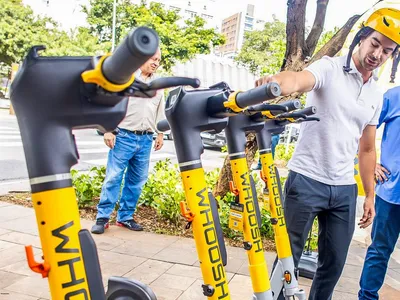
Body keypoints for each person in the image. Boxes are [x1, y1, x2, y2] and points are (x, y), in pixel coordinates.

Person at [255, 8, 400, 300]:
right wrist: (274, 84)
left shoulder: (375, 92)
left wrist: (369, 195)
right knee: (287, 262)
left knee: (332, 267)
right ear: (361, 37)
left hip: (344, 189)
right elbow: (297, 80)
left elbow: (368, 147)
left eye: (387, 51)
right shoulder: (329, 67)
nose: (377, 54)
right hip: (307, 179)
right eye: (375, 43)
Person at [91, 48, 165, 234]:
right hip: (123, 136)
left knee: (136, 181)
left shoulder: (158, 85)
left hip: (146, 139)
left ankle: (125, 217)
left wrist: (160, 134)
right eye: (152, 58)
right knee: (113, 177)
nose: (156, 62)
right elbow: (110, 104)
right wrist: (108, 130)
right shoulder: (126, 79)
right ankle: (103, 217)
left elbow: (159, 112)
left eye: (158, 60)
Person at [358, 84, 400, 300]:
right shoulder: (394, 97)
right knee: (380, 251)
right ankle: (366, 297)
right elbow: (363, 127)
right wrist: (372, 164)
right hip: (392, 193)